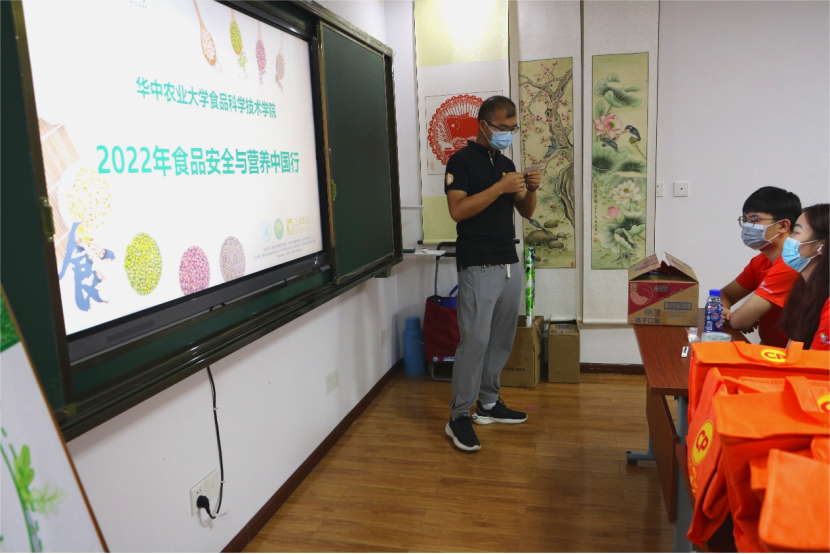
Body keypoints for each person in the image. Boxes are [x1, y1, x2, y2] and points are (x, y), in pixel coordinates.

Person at [442, 96, 541, 452]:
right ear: (483, 125)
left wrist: (531, 188)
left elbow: (526, 211)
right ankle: (458, 416)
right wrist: (500, 187)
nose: (508, 134)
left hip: (508, 262)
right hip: (478, 264)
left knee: (501, 338)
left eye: (513, 128)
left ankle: (488, 403)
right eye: (502, 128)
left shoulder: (506, 163)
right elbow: (458, 210)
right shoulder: (460, 161)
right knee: (474, 341)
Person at [721, 187, 802, 346]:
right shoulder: (760, 261)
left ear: (783, 225)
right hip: (768, 347)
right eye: (745, 220)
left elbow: (739, 322)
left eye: (754, 220)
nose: (747, 226)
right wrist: (723, 311)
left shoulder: (792, 262)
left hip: (796, 354)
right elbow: (725, 294)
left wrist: (738, 317)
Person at [779, 204, 829, 350]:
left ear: (822, 247)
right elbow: (792, 349)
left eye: (795, 232)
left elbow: (815, 362)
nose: (789, 239)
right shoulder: (804, 287)